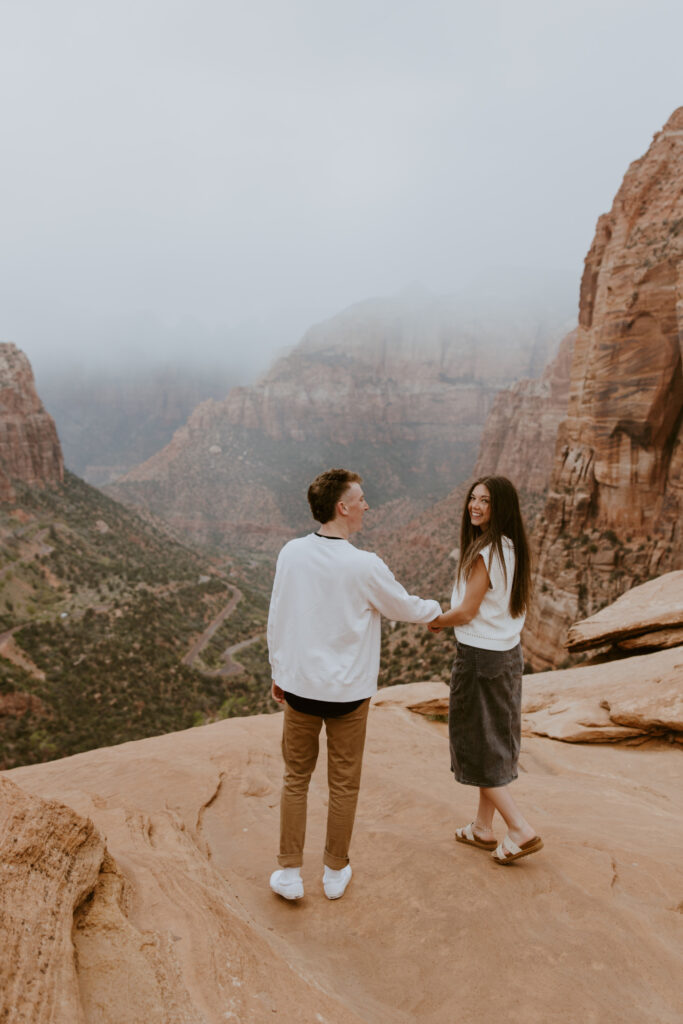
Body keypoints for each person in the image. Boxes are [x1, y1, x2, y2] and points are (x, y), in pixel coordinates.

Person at [267, 468, 442, 900]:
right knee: (343, 783)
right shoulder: (365, 564)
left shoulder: (291, 553)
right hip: (347, 695)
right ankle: (333, 872)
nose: (368, 505)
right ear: (342, 507)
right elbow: (403, 606)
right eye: (361, 499)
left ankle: (289, 874)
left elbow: (278, 617)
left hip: (301, 690)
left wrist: (278, 672)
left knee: (295, 779)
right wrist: (438, 612)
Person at [428, 475, 543, 865]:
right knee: (492, 739)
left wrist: (435, 619)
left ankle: (520, 829)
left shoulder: (486, 552)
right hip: (507, 656)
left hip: (479, 659)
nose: (475, 506)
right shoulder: (511, 547)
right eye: (473, 498)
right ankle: (482, 828)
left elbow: (467, 611)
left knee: (474, 745)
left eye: (485, 501)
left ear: (501, 508)